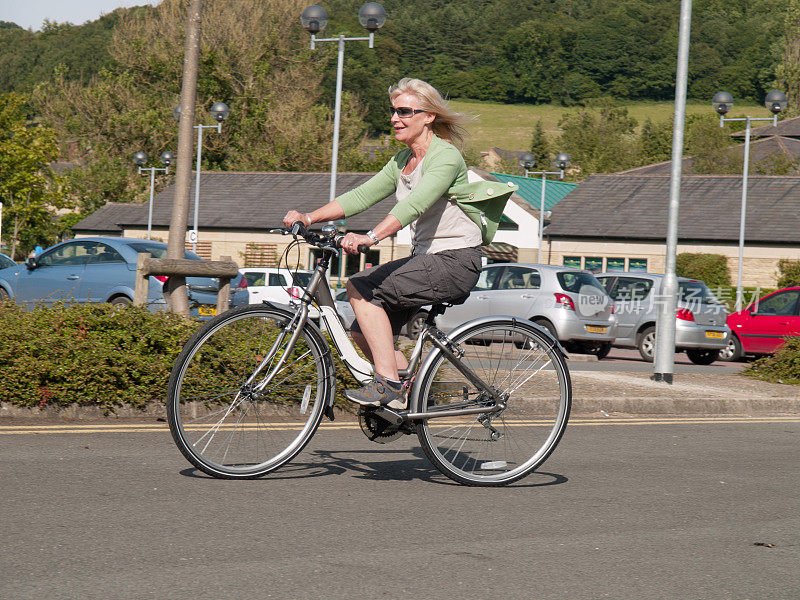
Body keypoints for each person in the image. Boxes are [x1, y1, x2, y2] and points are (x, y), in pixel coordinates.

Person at [283, 78, 516, 410]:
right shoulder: (401, 161)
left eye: (404, 111)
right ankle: (408, 392)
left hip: (455, 261)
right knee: (361, 328)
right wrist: (308, 217)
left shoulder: (445, 158)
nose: (395, 118)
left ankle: (389, 384)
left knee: (362, 291)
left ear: (428, 116)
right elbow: (361, 196)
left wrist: (371, 237)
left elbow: (413, 205)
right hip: (427, 260)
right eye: (393, 111)